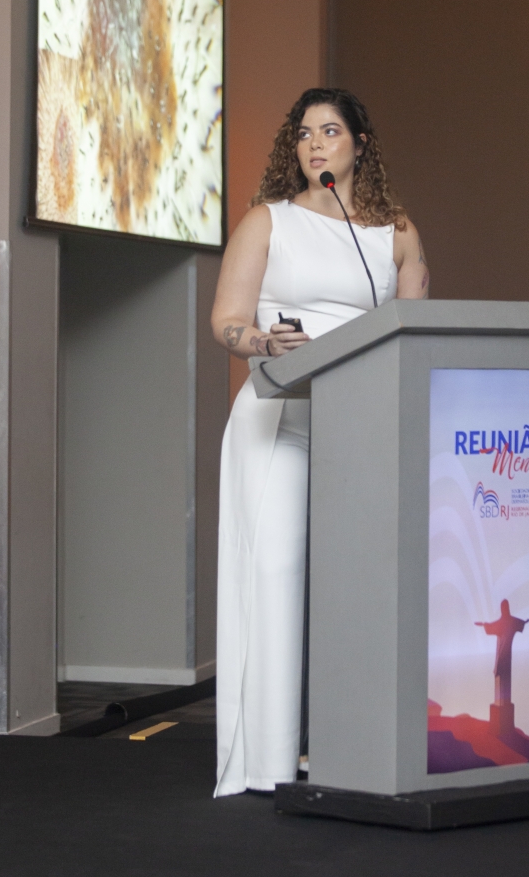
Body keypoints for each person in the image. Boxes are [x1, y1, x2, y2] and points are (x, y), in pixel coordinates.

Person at [211, 88, 429, 796]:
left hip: (362, 422)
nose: (314, 145)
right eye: (303, 134)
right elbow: (226, 321)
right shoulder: (266, 221)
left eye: (330, 131)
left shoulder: (396, 232)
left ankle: (353, 750)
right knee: (276, 572)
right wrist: (262, 342)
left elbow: (415, 333)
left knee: (363, 584)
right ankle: (267, 763)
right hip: (281, 416)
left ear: (360, 144)